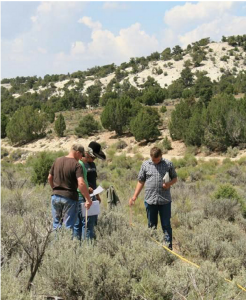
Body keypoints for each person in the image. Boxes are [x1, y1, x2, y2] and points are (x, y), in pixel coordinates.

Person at [129, 146, 177, 250]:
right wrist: (134, 196)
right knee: (151, 226)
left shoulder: (168, 164)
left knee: (166, 225)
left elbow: (175, 178)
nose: (155, 162)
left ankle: (168, 249)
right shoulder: (145, 164)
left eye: (157, 159)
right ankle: (152, 249)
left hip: (165, 201)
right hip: (150, 201)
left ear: (161, 156)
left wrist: (168, 184)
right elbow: (141, 181)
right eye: (153, 160)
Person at [48, 144, 92, 230]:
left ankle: (57, 243)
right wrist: (88, 199)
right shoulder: (76, 165)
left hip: (55, 197)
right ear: (77, 152)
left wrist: (54, 188)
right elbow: (81, 184)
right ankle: (66, 243)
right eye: (81, 155)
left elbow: (50, 177)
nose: (81, 158)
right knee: (68, 226)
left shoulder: (57, 160)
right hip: (70, 198)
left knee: (56, 226)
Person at [74, 141, 106, 240]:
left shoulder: (92, 165)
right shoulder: (79, 164)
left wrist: (97, 195)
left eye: (95, 158)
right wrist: (86, 189)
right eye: (93, 157)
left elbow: (93, 181)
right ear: (87, 154)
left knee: (90, 224)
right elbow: (77, 181)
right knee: (82, 225)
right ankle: (83, 248)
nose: (93, 160)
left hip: (92, 197)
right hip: (82, 197)